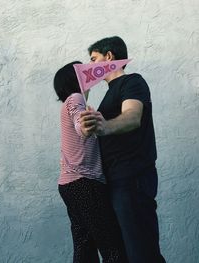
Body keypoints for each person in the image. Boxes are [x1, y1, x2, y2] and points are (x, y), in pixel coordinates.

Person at [79, 36, 166, 263]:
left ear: (109, 57)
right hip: (114, 181)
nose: (89, 66)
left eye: (93, 59)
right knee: (125, 254)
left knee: (142, 254)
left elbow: (132, 116)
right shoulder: (108, 94)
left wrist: (105, 126)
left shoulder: (132, 82)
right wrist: (84, 90)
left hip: (131, 180)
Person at [54, 61, 128, 263]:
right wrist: (86, 126)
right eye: (84, 72)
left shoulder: (70, 104)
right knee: (113, 248)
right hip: (85, 183)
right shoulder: (75, 98)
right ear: (76, 78)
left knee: (85, 246)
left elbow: (78, 119)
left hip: (70, 185)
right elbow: (80, 123)